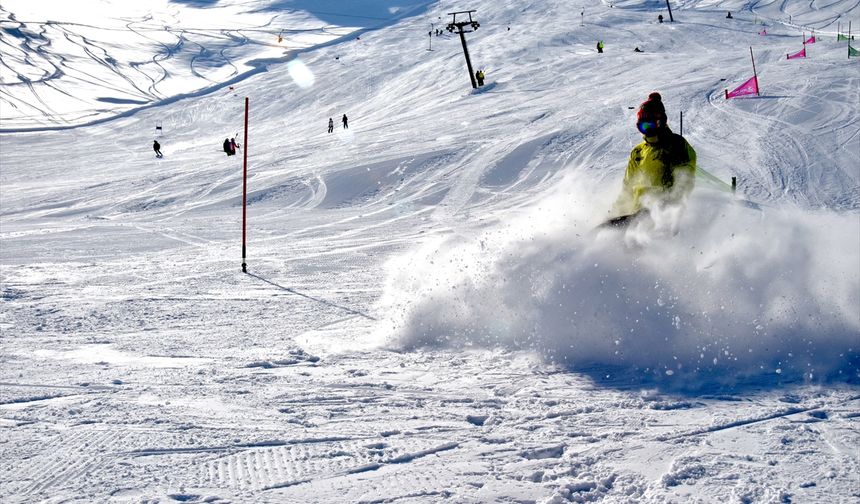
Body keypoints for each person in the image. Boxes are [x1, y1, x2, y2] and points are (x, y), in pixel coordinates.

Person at [610, 92, 696, 221]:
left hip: (663, 215)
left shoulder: (676, 145)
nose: (647, 131)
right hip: (636, 214)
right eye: (643, 127)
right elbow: (627, 187)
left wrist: (666, 209)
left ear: (661, 123)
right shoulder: (638, 152)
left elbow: (684, 182)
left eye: (650, 126)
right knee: (602, 232)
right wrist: (615, 212)